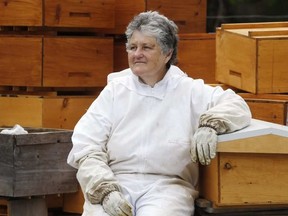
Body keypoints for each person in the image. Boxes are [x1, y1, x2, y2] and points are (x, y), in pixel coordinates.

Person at [67, 11, 251, 216]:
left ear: (168, 53)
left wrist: (211, 124)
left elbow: (236, 105)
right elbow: (86, 146)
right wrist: (105, 190)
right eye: (133, 47)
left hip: (168, 187)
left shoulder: (189, 90)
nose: (137, 53)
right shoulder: (114, 91)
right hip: (116, 181)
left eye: (147, 47)